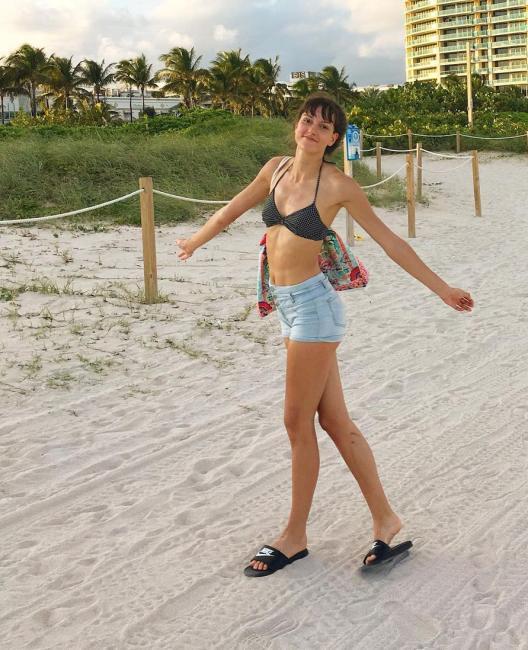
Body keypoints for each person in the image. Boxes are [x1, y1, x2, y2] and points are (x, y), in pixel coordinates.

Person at [176, 93, 474, 577]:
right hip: (287, 307)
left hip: (315, 310)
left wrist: (443, 289)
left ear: (334, 138)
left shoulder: (338, 185)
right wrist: (194, 241)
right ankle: (386, 519)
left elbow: (391, 242)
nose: (311, 129)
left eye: (323, 126)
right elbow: (230, 211)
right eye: (307, 120)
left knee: (297, 421)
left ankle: (294, 536)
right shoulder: (274, 170)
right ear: (297, 125)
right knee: (335, 422)